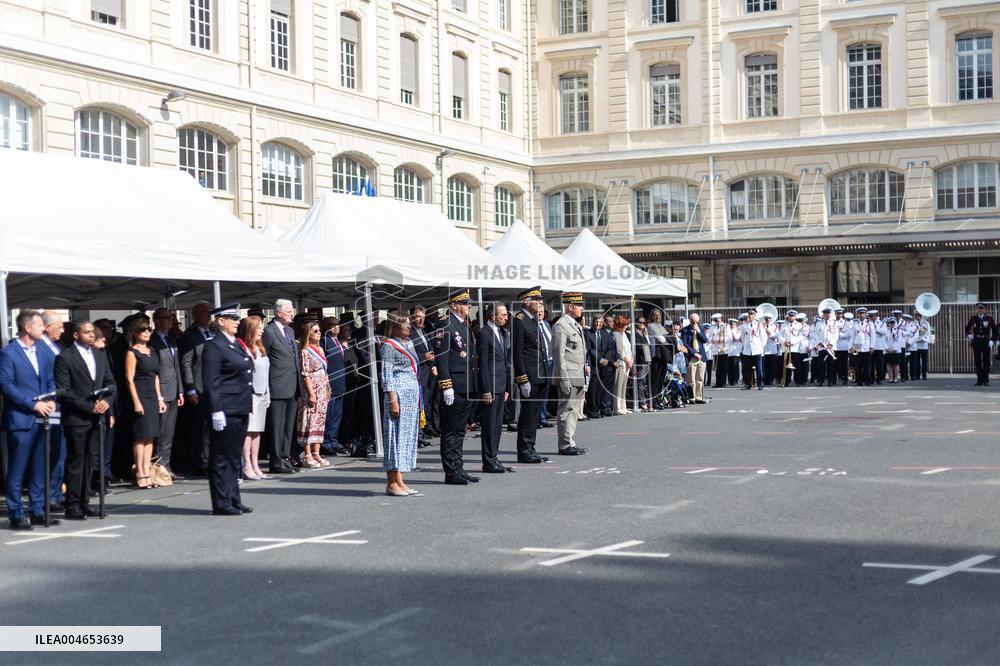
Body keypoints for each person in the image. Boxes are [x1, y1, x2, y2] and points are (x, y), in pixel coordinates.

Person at [1, 311, 59, 529]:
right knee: (18, 468)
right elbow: (6, 385)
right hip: (21, 419)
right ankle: (16, 513)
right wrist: (33, 404)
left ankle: (37, 510)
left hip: (44, 418)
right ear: (27, 328)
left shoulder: (42, 353)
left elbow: (50, 379)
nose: (43, 329)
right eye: (39, 325)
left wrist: (52, 400)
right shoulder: (9, 353)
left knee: (39, 467)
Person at [53, 321, 116, 520]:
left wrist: (106, 401)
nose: (91, 335)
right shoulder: (65, 357)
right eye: (87, 332)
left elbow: (111, 383)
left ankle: (85, 502)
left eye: (92, 332)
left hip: (97, 417)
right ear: (75, 335)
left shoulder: (99, 354)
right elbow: (65, 391)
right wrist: (89, 407)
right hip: (77, 417)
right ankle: (72, 505)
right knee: (76, 460)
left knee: (91, 460)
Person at [202, 304, 254, 516]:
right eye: (232, 318)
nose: (237, 321)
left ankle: (234, 498)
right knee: (221, 457)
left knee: (234, 456)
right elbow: (211, 380)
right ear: (220, 321)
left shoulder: (234, 343)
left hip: (240, 406)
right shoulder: (214, 345)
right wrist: (216, 410)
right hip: (226, 408)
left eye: (237, 318)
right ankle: (222, 502)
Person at [434, 288, 481, 484]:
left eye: (469, 304)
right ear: (454, 305)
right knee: (451, 430)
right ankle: (451, 471)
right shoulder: (446, 324)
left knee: (460, 429)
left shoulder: (464, 325)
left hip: (467, 384)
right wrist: (446, 385)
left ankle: (458, 468)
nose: (468, 307)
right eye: (465, 303)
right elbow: (442, 357)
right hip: (454, 384)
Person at [380, 313, 423, 496]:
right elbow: (387, 374)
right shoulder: (389, 346)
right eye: (405, 324)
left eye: (408, 324)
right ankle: (391, 483)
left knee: (406, 439)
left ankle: (400, 480)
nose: (409, 327)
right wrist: (392, 400)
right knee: (395, 439)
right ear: (396, 325)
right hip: (398, 396)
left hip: (411, 397)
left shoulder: (410, 343)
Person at [124, 318, 165, 489]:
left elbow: (156, 376)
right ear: (135, 333)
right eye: (143, 330)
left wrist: (160, 398)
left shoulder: (153, 351)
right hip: (139, 395)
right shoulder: (131, 353)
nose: (147, 332)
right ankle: (139, 473)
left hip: (152, 397)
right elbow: (129, 379)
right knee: (140, 436)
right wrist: (136, 401)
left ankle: (148, 472)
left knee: (150, 437)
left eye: (149, 330)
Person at [511, 287, 549, 464]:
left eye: (541, 300)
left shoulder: (534, 320)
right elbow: (517, 353)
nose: (540, 302)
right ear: (526, 302)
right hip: (530, 375)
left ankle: (531, 448)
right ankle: (524, 451)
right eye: (536, 299)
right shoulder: (520, 320)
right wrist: (522, 378)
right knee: (527, 415)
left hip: (540, 374)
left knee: (534, 415)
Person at [263, 299, 301, 473]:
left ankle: (285, 457)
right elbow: (265, 357)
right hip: (277, 385)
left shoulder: (290, 331)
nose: (292, 314)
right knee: (277, 426)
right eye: (289, 311)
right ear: (279, 313)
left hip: (292, 385)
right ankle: (276, 459)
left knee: (288, 426)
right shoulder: (269, 332)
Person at [476, 303, 512, 473]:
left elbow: (504, 362)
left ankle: (494, 457)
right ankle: (488, 460)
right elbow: (483, 364)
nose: (506, 318)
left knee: (497, 425)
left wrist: (506, 387)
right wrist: (486, 389)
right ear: (492, 315)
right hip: (491, 386)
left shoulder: (501, 332)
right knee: (489, 426)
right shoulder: (484, 333)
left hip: (500, 385)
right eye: (503, 315)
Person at [553, 292, 589, 456]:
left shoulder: (574, 324)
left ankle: (570, 442)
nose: (582, 308)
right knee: (566, 410)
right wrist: (563, 379)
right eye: (579, 305)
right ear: (570, 306)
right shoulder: (561, 325)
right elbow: (558, 354)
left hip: (578, 374)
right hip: (568, 375)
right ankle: (564, 444)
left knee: (574, 411)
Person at [179, 302, 213, 476]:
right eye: (206, 314)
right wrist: (190, 389)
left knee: (209, 427)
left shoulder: (212, 333)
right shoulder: (190, 335)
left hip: (211, 387)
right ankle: (199, 461)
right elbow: (185, 363)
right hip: (198, 388)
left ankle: (208, 458)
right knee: (198, 428)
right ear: (196, 315)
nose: (209, 317)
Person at [150, 308, 183, 478]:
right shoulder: (153, 341)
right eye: (166, 318)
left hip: (174, 390)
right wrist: (159, 396)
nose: (170, 321)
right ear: (156, 321)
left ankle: (166, 466)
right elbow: (155, 370)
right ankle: (160, 467)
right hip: (161, 391)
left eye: (171, 318)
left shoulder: (171, 340)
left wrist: (181, 391)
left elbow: (176, 366)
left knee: (169, 433)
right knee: (162, 432)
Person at [37, 310, 66, 511]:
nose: (63, 330)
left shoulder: (56, 346)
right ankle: (45, 496)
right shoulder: (38, 348)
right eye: (60, 326)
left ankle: (55, 493)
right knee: (48, 450)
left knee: (59, 450)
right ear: (47, 327)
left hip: (61, 405)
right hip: (47, 406)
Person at [296, 319, 331, 468]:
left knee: (320, 420)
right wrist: (311, 393)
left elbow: (325, 371)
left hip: (322, 387)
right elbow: (305, 374)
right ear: (308, 334)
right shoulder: (305, 351)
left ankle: (317, 452)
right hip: (312, 388)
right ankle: (307, 454)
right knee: (309, 420)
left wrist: (328, 387)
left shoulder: (321, 350)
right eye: (315, 331)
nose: (318, 333)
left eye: (319, 331)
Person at [237, 315, 269, 480]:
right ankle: (247, 464)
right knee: (248, 432)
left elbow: (266, 373)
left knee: (257, 432)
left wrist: (268, 393)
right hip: (251, 395)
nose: (262, 330)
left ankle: (256, 464)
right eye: (259, 327)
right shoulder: (244, 349)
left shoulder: (260, 348)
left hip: (262, 394)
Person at [318, 316, 348, 455]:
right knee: (329, 414)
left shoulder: (338, 341)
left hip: (340, 382)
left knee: (337, 415)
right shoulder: (324, 341)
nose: (336, 327)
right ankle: (326, 442)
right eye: (332, 325)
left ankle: (334, 440)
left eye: (337, 325)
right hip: (331, 382)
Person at [681, 313, 708, 404]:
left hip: (701, 357)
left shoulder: (701, 328)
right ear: (690, 321)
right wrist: (694, 353)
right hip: (692, 357)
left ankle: (698, 397)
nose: (695, 324)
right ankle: (691, 397)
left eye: (697, 322)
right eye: (693, 322)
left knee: (700, 378)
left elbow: (705, 340)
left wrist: (698, 331)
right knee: (691, 379)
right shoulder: (685, 330)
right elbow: (685, 344)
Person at [965, 303, 995, 386]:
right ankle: (979, 380)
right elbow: (967, 328)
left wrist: (992, 339)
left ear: (985, 310)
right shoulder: (973, 318)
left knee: (986, 362)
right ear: (976, 309)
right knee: (977, 362)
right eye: (978, 308)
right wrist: (969, 334)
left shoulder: (989, 318)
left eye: (982, 308)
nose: (980, 309)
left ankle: (986, 380)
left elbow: (995, 329)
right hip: (977, 342)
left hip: (985, 342)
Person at [611, 315, 632, 414]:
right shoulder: (616, 334)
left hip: (627, 362)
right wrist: (626, 359)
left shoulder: (624, 334)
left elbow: (628, 348)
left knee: (624, 386)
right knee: (618, 386)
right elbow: (619, 350)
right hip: (621, 362)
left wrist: (630, 359)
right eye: (626, 324)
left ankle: (624, 406)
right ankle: (617, 407)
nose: (627, 326)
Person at [633, 317, 652, 411]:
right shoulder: (635, 334)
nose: (642, 325)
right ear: (636, 323)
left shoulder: (643, 334)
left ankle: (644, 401)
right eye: (640, 322)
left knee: (643, 382)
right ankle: (642, 402)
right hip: (639, 361)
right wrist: (647, 348)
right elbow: (639, 347)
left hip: (645, 360)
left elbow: (648, 346)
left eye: (644, 323)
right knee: (640, 382)